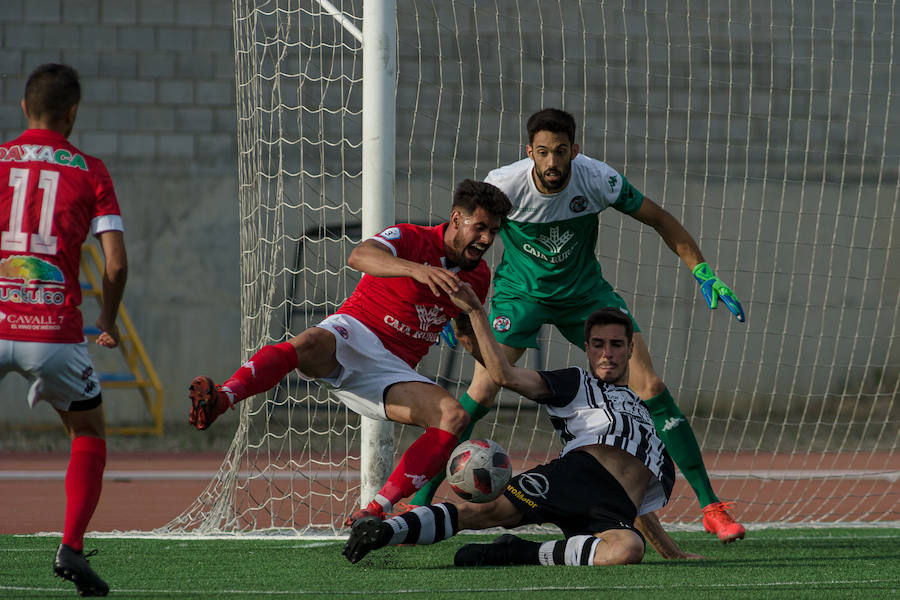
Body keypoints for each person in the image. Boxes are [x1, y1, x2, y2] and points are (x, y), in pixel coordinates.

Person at [412, 107, 746, 543]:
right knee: (481, 392)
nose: (553, 163)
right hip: (520, 297)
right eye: (544, 153)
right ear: (529, 151)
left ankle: (711, 507)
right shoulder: (504, 184)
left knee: (651, 387)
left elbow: (661, 219)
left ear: (575, 151)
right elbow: (459, 234)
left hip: (585, 297)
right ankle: (418, 501)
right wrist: (441, 294)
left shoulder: (598, 180)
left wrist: (701, 270)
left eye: (562, 152)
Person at [188, 179, 512, 524]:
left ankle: (375, 511)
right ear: (457, 219)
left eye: (493, 231)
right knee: (307, 342)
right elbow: (360, 256)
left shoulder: (479, 276)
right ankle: (223, 399)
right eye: (480, 228)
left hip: (394, 370)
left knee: (453, 416)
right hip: (353, 332)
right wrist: (418, 269)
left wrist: (499, 368)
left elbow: (463, 329)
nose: (487, 240)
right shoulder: (409, 237)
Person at [344, 303, 702, 566]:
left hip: (613, 507)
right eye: (597, 344)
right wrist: (476, 316)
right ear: (588, 349)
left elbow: (635, 493)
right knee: (482, 512)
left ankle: (519, 551)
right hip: (572, 479)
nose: (607, 353)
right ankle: (385, 532)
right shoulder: (577, 382)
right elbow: (505, 376)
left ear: (631, 349)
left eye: (616, 344)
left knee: (626, 550)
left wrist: (670, 551)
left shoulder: (643, 413)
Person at [0, 64, 128, 597]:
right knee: (88, 432)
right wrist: (106, 321)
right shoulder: (91, 170)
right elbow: (116, 265)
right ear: (72, 113)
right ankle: (71, 548)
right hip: (52, 333)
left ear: (24, 107)